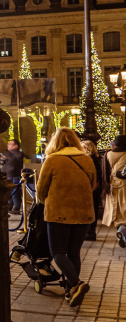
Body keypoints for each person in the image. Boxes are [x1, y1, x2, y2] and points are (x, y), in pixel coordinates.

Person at [36, 127, 95, 307]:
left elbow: (41, 190)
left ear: (56, 141)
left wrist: (47, 200)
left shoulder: (52, 160)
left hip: (59, 214)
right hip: (84, 213)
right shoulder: (86, 159)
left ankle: (77, 283)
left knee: (58, 253)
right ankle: (70, 291)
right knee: (74, 252)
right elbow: (92, 184)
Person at [102, 134, 126, 249]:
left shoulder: (108, 154)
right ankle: (123, 232)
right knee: (124, 213)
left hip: (112, 186)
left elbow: (105, 171)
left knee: (116, 214)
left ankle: (120, 233)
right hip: (124, 186)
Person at [80, 139, 102, 241]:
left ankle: (90, 232)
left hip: (91, 188)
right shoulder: (96, 158)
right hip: (95, 188)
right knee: (93, 209)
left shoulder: (88, 160)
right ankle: (90, 231)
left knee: (89, 209)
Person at [0, 139, 28, 214]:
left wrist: (14, 150)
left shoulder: (19, 153)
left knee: (15, 193)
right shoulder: (6, 153)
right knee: (8, 193)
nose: (8, 145)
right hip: (7, 175)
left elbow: (18, 159)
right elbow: (3, 162)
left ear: (16, 146)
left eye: (11, 144)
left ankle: (16, 208)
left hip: (15, 175)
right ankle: (9, 207)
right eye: (8, 144)